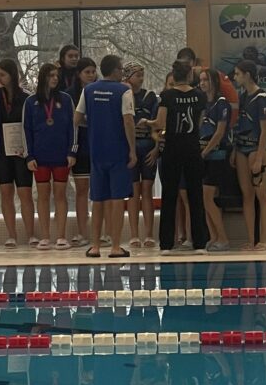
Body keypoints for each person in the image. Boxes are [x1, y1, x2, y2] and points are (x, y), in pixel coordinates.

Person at [75, 54, 136, 259]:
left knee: (98, 198)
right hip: (117, 151)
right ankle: (116, 246)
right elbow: (128, 122)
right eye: (121, 69)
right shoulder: (124, 91)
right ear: (115, 70)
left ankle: (95, 246)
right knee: (117, 198)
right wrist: (132, 150)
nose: (122, 73)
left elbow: (77, 118)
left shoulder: (88, 90)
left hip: (96, 151)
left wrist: (94, 123)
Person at [151, 59, 207, 254]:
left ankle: (166, 244)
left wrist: (148, 123)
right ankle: (200, 243)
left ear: (174, 76)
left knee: (169, 195)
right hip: (192, 147)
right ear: (190, 75)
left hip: (172, 148)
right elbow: (199, 122)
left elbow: (160, 123)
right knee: (195, 195)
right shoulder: (199, 96)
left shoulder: (167, 96)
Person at [23, 63, 78, 251]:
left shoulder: (66, 99)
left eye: (56, 75)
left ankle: (61, 236)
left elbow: (73, 127)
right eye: (51, 75)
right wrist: (29, 156)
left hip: (61, 155)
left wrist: (72, 151)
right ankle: (45, 237)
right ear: (42, 78)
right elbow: (26, 130)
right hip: (40, 156)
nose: (55, 78)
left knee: (60, 195)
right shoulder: (31, 102)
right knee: (43, 196)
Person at [0, 58, 35, 249]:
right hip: (1, 151)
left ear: (12, 75)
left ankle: (31, 234)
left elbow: (31, 123)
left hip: (21, 150)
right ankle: (11, 235)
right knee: (6, 193)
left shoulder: (26, 97)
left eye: (2, 75)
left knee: (25, 193)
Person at [232, 59, 266, 252]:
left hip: (257, 147)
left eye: (237, 74)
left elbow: (265, 130)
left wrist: (259, 157)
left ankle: (264, 239)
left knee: (261, 195)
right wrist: (234, 149)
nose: (235, 77)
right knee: (247, 194)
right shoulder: (243, 97)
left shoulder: (261, 97)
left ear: (247, 75)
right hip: (242, 147)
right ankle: (251, 239)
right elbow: (239, 125)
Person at [124, 63, 159, 250]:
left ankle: (149, 234)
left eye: (142, 75)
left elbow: (157, 125)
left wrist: (156, 149)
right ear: (128, 76)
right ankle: (134, 234)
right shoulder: (123, 96)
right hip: (130, 148)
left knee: (146, 189)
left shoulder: (150, 96)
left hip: (147, 148)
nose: (141, 78)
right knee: (133, 191)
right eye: (137, 75)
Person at [66, 57, 98, 248]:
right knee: (82, 190)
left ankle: (101, 233)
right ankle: (82, 232)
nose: (91, 75)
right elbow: (72, 122)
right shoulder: (70, 95)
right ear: (79, 74)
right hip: (80, 147)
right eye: (87, 72)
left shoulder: (100, 92)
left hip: (98, 146)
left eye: (93, 72)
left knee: (100, 191)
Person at [199, 67, 232, 252]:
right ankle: (214, 236)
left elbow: (219, 133)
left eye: (206, 80)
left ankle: (223, 238)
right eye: (200, 80)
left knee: (207, 196)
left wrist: (205, 152)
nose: (202, 83)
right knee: (205, 199)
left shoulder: (222, 103)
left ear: (214, 81)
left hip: (216, 155)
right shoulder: (204, 104)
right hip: (204, 155)